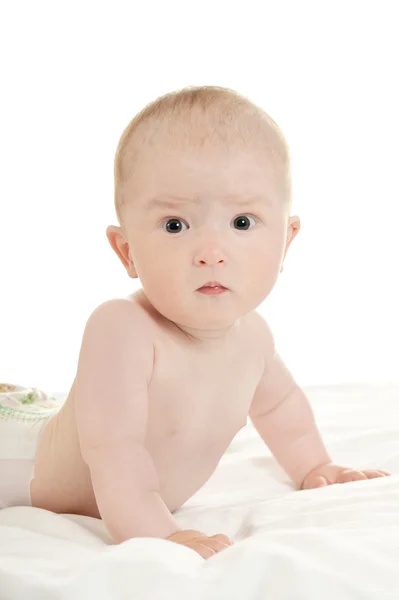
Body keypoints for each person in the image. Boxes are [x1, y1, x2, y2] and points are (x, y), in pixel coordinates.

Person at [0, 85, 390, 560]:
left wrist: (316, 466)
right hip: (19, 459)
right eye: (175, 225)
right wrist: (157, 533)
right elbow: (112, 450)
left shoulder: (254, 339)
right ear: (126, 251)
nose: (210, 254)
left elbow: (282, 410)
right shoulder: (122, 328)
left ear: (286, 241)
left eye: (242, 222)